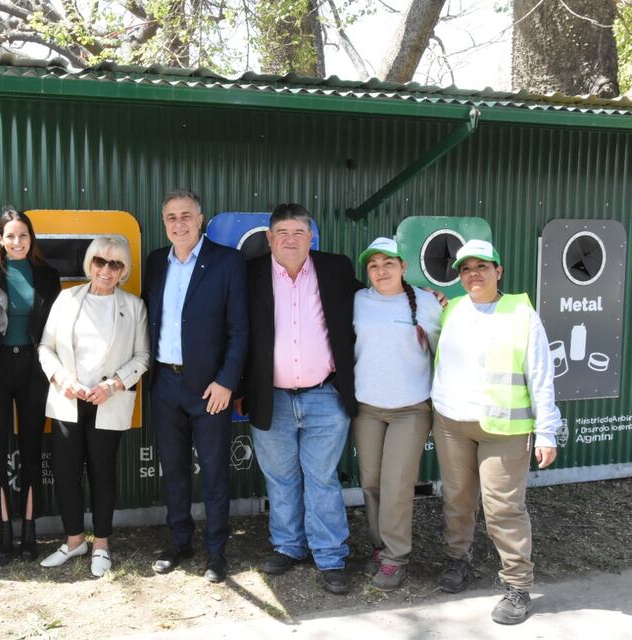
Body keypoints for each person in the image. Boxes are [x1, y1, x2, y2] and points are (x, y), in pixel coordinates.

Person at [431, 239, 559, 625]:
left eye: (482, 267)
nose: (474, 274)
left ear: (498, 271)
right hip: (452, 422)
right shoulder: (451, 309)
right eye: (466, 269)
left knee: (503, 507)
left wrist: (548, 430)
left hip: (504, 427)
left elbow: (541, 374)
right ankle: (458, 559)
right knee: (457, 498)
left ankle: (518, 585)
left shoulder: (521, 312)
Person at [237, 203, 362, 594]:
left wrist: (420, 295)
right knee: (280, 478)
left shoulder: (336, 269)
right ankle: (289, 546)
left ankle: (330, 555)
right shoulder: (250, 274)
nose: (291, 240)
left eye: (299, 232)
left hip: (324, 395)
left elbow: (375, 298)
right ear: (270, 238)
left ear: (311, 238)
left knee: (322, 478)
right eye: (282, 233)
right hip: (269, 395)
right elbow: (236, 334)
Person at [142, 188, 248, 584]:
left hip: (210, 388)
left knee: (215, 473)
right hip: (165, 381)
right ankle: (179, 541)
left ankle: (216, 551)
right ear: (164, 222)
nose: (179, 223)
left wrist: (226, 382)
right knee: (174, 470)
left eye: (186, 215)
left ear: (200, 219)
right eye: (171, 216)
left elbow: (240, 330)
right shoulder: (156, 262)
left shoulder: (227, 262)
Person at [37, 235, 149, 577]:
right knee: (67, 474)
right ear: (90, 264)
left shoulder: (133, 307)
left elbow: (143, 356)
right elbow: (46, 347)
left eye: (115, 264)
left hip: (108, 401)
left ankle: (101, 543)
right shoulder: (67, 299)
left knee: (103, 474)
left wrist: (114, 383)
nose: (105, 270)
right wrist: (61, 379)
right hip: (69, 399)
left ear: (123, 270)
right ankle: (74, 541)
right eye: (100, 261)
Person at [0, 208, 61, 565]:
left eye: (23, 235)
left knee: (32, 445)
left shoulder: (47, 275)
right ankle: (4, 531)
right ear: (0, 239)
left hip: (34, 368)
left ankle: (30, 528)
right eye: (10, 236)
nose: (17, 242)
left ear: (30, 237)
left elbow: (56, 327)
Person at [352, 237, 442, 591]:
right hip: (368, 408)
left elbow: (443, 352)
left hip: (411, 409)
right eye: (373, 265)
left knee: (397, 484)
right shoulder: (358, 301)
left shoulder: (426, 303)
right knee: (371, 481)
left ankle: (396, 557)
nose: (380, 270)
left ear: (403, 267)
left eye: (388, 263)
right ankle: (380, 545)